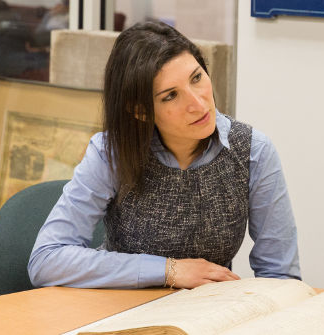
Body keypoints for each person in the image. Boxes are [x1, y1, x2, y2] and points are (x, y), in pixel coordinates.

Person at [28, 21, 301, 289]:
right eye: (171, 95)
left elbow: (280, 276)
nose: (198, 104)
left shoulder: (253, 151)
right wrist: (168, 270)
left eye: (196, 78)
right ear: (140, 111)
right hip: (120, 312)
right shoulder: (110, 153)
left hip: (208, 315)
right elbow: (46, 259)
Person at [0, 0, 70, 134]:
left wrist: (43, 48)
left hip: (44, 56)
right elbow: (35, 34)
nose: (61, 5)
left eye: (66, 4)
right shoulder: (52, 15)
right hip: (29, 49)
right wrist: (49, 15)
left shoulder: (78, 19)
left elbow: (68, 45)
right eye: (63, 2)